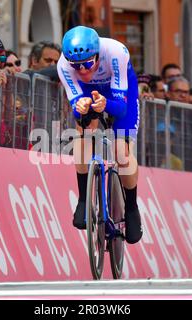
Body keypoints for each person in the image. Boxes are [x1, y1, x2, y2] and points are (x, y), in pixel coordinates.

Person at [57, 26, 143, 244]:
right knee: (83, 132)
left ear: (97, 55)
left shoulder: (116, 52)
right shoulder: (63, 65)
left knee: (121, 150)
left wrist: (106, 104)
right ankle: (83, 199)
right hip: (88, 93)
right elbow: (76, 108)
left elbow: (121, 109)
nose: (83, 71)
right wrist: (81, 107)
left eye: (87, 64)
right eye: (77, 66)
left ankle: (132, 208)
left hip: (119, 92)